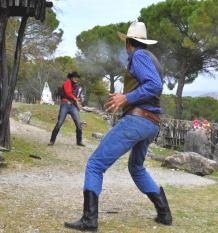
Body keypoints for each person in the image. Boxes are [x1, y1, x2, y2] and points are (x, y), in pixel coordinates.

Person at [64, 22, 172, 232]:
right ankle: (164, 213)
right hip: (152, 123)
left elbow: (154, 86)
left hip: (138, 120)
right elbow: (154, 86)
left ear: (129, 43)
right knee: (136, 167)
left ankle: (89, 220)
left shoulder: (138, 56)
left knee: (95, 164)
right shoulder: (153, 59)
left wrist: (126, 97)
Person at [48, 71, 85, 146]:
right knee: (59, 123)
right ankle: (52, 141)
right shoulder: (67, 82)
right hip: (65, 104)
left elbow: (77, 97)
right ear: (71, 77)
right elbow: (68, 93)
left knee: (78, 124)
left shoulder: (77, 87)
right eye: (74, 77)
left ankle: (79, 141)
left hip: (73, 106)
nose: (76, 79)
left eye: (77, 78)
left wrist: (80, 100)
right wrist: (75, 99)